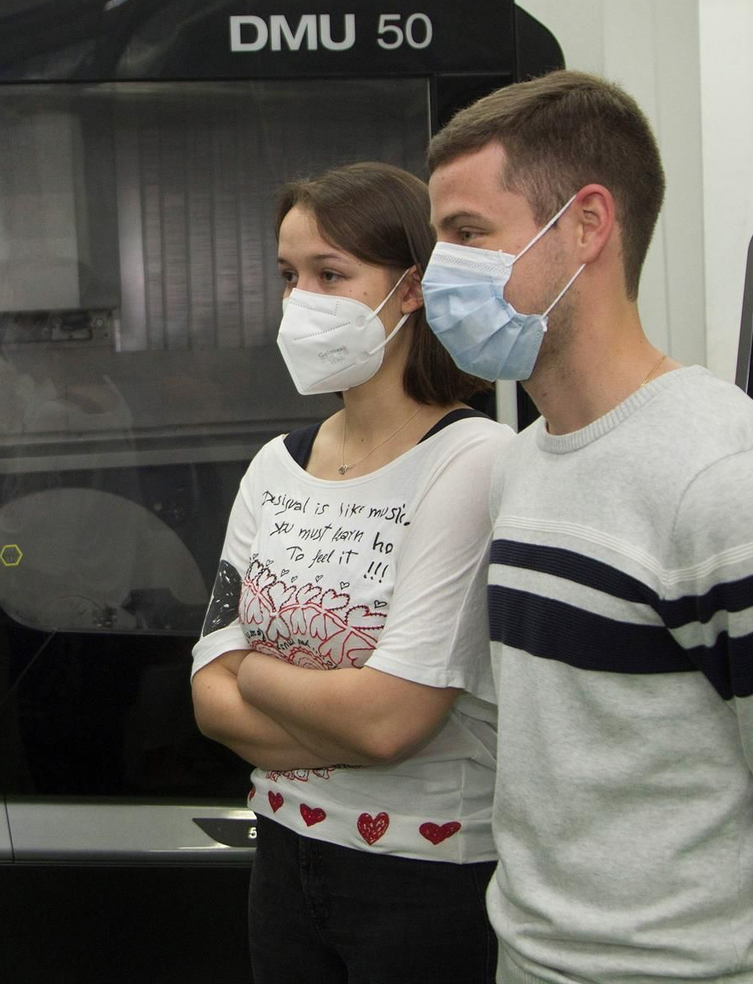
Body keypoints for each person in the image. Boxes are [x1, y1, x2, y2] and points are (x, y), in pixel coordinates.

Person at [424, 69, 753, 983]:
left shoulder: (732, 482)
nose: (436, 273)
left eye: (467, 234)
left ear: (585, 225)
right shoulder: (524, 462)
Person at [191, 162, 513, 983]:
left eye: (331, 274)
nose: (302, 300)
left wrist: (257, 672)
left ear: (411, 288)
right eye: (289, 275)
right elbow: (207, 698)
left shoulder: (473, 459)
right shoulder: (276, 464)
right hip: (285, 857)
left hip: (427, 880)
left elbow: (391, 721)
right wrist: (348, 705)